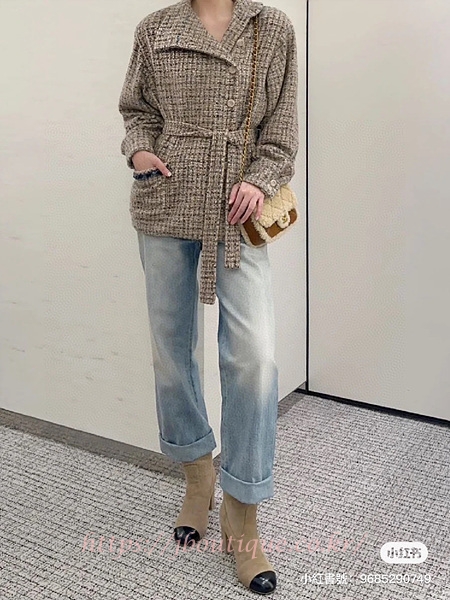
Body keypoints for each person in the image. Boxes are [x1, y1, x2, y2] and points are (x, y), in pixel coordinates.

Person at [118, 0, 298, 593]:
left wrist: (259, 180)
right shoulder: (156, 28)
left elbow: (280, 132)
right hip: (166, 196)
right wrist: (140, 150)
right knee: (171, 349)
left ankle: (242, 512)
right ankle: (198, 476)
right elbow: (136, 110)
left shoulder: (270, 27)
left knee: (254, 358)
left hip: (237, 205)